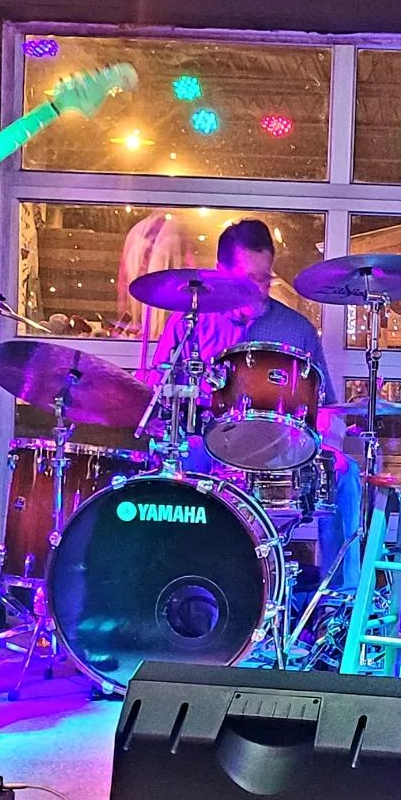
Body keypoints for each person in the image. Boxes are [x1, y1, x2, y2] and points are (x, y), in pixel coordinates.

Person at [150, 218, 362, 593]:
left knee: (345, 473)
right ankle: (178, 586)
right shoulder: (189, 325)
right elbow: (156, 394)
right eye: (248, 280)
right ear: (220, 271)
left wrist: (328, 437)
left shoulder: (297, 330)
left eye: (265, 279)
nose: (259, 290)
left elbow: (324, 408)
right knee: (173, 468)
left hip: (279, 452)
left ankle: (340, 601)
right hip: (207, 447)